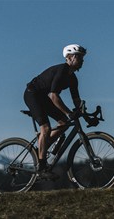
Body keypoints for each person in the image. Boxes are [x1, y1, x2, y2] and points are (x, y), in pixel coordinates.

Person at [23, 44, 86, 179]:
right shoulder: (62, 70)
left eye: (83, 58)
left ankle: (42, 147)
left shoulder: (73, 79)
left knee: (63, 123)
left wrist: (85, 115)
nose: (82, 60)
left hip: (42, 97)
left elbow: (76, 100)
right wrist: (70, 113)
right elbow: (53, 96)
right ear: (71, 57)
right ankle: (41, 167)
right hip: (32, 94)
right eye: (80, 57)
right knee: (46, 127)